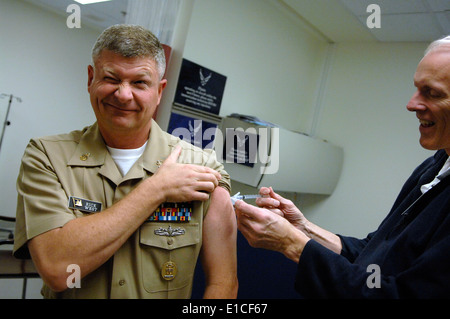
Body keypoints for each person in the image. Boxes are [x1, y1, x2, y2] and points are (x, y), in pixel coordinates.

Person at [13, 24, 238, 299]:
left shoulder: (203, 168)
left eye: (140, 82)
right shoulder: (46, 156)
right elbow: (58, 268)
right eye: (111, 78)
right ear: (90, 79)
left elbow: (223, 284)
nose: (123, 94)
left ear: (159, 92)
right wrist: (157, 189)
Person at [235, 35, 450, 298]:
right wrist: (302, 228)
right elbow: (373, 253)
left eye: (433, 93)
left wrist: (291, 243)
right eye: (417, 88)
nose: (411, 104)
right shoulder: (434, 166)